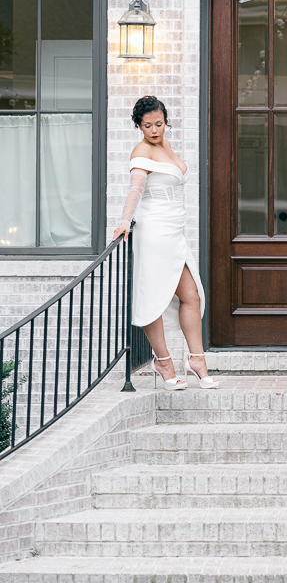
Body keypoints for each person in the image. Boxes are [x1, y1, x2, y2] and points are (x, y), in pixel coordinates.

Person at [113, 95, 218, 390]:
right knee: (155, 299)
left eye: (159, 124)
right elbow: (135, 190)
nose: (154, 130)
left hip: (175, 231)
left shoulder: (166, 146)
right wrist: (124, 221)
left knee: (192, 295)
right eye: (147, 126)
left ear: (165, 121)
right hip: (154, 232)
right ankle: (163, 361)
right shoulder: (141, 151)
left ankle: (196, 359)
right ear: (139, 126)